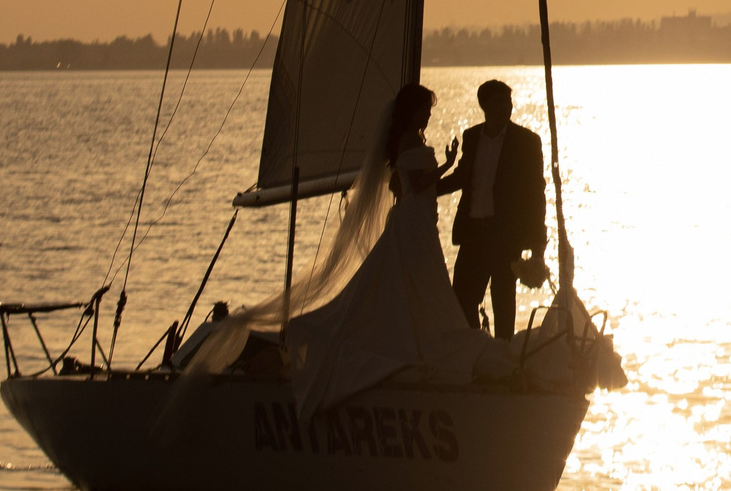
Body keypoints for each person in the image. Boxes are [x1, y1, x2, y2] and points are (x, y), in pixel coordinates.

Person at [180, 83, 514, 421]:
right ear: (413, 110)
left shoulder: (409, 141)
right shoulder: (410, 140)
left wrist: (450, 172)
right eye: (425, 108)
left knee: (415, 286)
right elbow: (417, 184)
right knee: (421, 284)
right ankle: (398, 344)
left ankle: (415, 338)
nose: (429, 114)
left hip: (419, 221)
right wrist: (448, 164)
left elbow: (405, 185)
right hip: (414, 224)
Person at [441, 78, 548, 336]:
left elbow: (536, 195)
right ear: (484, 105)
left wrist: (537, 247)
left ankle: (503, 359)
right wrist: (425, 188)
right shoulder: (472, 137)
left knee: (503, 305)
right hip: (473, 234)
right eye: (499, 102)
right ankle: (477, 350)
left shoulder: (526, 141)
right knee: (462, 301)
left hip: (505, 237)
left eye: (509, 102)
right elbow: (463, 177)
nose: (506, 107)